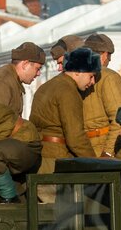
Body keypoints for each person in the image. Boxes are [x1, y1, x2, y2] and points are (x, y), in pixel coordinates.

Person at [30, 47, 99, 175]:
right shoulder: (69, 92)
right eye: (91, 76)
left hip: (40, 156)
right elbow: (76, 138)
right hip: (58, 161)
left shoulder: (46, 87)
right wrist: (95, 163)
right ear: (78, 71)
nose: (92, 82)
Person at [79, 34, 121, 157]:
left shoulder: (78, 75)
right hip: (98, 150)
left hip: (89, 150)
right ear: (104, 55)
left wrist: (107, 151)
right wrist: (108, 152)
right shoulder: (109, 77)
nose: (110, 60)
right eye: (109, 56)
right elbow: (120, 118)